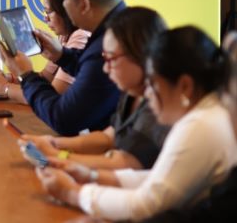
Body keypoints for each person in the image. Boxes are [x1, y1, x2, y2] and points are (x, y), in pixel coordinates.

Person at [35, 26, 237, 221]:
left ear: (185, 86)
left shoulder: (200, 124)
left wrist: (73, 193)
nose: (148, 94)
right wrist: (91, 176)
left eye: (153, 84)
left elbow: (148, 204)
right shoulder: (204, 115)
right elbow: (160, 178)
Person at [22, 7, 170, 170]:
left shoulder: (159, 104)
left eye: (111, 58)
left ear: (140, 55)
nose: (105, 68)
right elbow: (107, 138)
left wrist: (54, 156)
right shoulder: (131, 93)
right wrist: (54, 143)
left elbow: (124, 163)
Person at [1, 0, 124, 135]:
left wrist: (26, 75)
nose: (64, 7)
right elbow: (90, 72)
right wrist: (62, 56)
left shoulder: (107, 46)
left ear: (83, 3)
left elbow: (63, 118)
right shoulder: (119, 27)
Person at [140, 31, 237, 223]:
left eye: (228, 96)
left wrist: (82, 192)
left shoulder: (201, 124)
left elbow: (150, 201)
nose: (224, 107)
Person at [0, 0, 89, 102]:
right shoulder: (64, 36)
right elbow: (45, 78)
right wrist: (7, 78)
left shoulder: (81, 37)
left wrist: (4, 87)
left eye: (48, 12)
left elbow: (51, 97)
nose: (46, 18)